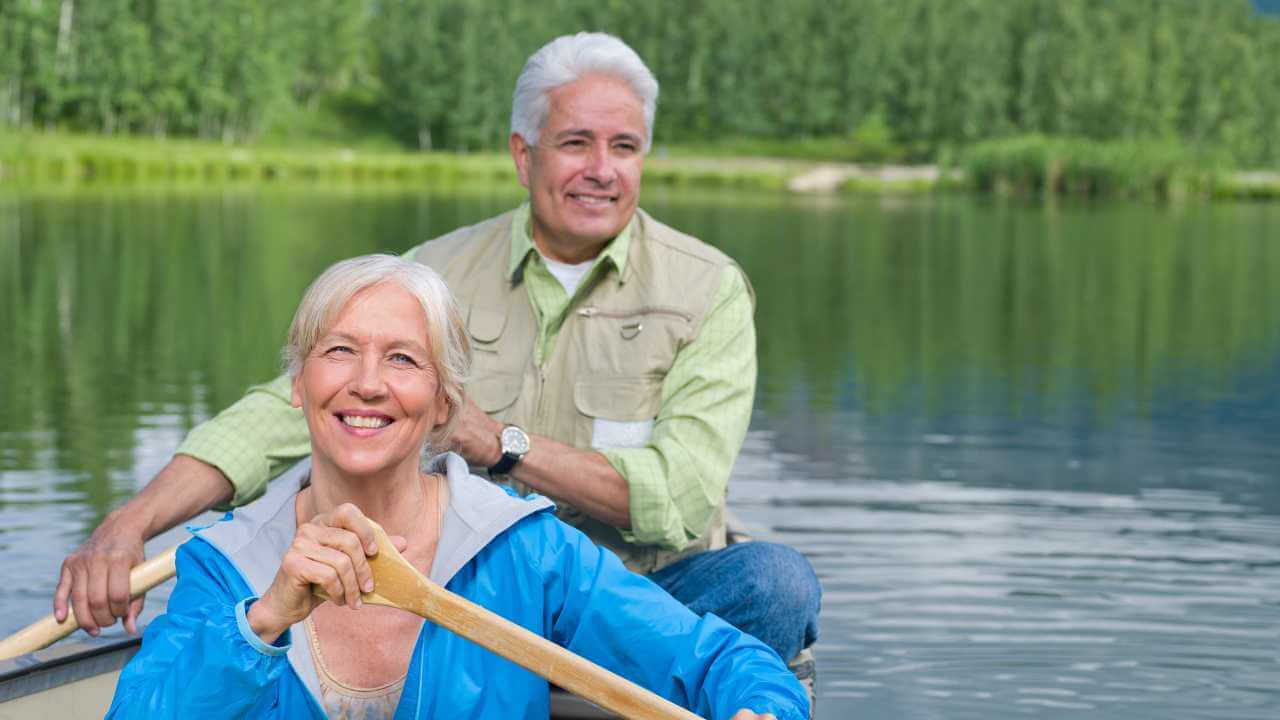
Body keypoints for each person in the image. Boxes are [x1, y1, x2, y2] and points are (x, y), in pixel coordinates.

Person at [56, 31, 820, 680]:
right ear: (524, 156)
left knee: (775, 585)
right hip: (467, 593)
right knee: (232, 573)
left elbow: (680, 499)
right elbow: (277, 417)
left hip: (637, 599)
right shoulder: (437, 270)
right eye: (575, 143)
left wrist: (501, 446)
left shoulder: (708, 289)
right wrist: (130, 523)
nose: (602, 169)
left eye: (624, 147)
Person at [105, 255, 807, 720]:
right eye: (339, 351)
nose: (369, 383)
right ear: (299, 385)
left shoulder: (522, 550)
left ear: (445, 404)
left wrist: (763, 707)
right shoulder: (223, 566)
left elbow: (715, 658)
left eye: (404, 359)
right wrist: (262, 623)